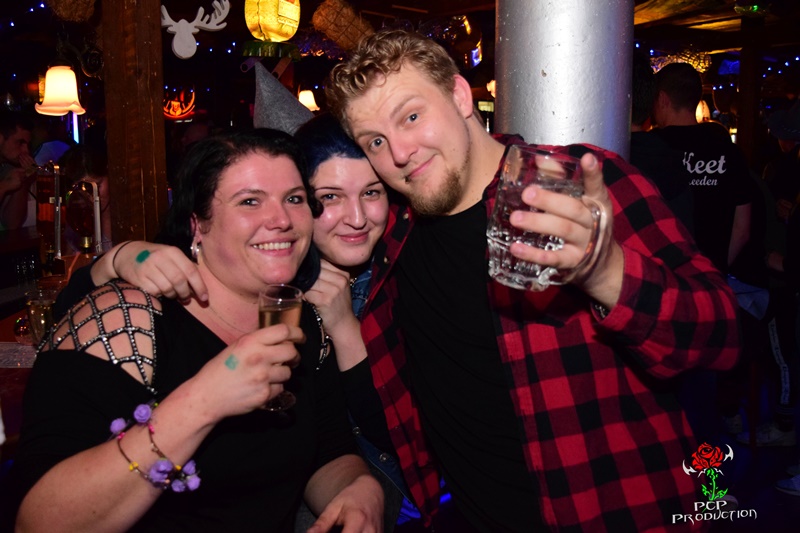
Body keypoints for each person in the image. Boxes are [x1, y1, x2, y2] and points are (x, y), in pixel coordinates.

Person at [323, 28, 740, 531]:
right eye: (375, 141)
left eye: (411, 116)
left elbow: (720, 335)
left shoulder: (573, 185)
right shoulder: (394, 234)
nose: (399, 152)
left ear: (460, 97)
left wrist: (610, 275)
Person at [4, 129, 383, 532]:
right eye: (250, 201)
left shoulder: (299, 318)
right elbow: (39, 522)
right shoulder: (126, 319)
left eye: (294, 199)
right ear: (197, 225)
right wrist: (204, 401)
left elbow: (328, 450)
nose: (282, 220)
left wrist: (359, 487)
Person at [651, 62, 754, 274]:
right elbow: (742, 230)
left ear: (662, 99)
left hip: (662, 277)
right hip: (710, 279)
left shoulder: (650, 148)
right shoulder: (729, 151)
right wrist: (715, 270)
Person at [0, 111, 36, 231]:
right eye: (20, 143)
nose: (26, 151)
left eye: (27, 145)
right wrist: (4, 186)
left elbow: (12, 224)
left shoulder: (7, 168)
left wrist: (24, 179)